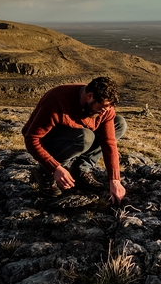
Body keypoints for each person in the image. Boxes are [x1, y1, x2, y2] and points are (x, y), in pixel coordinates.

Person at [22, 76, 127, 204]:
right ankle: (44, 172)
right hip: (49, 140)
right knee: (85, 137)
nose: (104, 111)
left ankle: (80, 169)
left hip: (76, 134)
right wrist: (55, 168)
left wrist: (114, 179)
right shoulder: (57, 100)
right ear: (89, 96)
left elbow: (108, 142)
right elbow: (31, 138)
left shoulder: (106, 109)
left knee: (119, 123)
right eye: (101, 108)